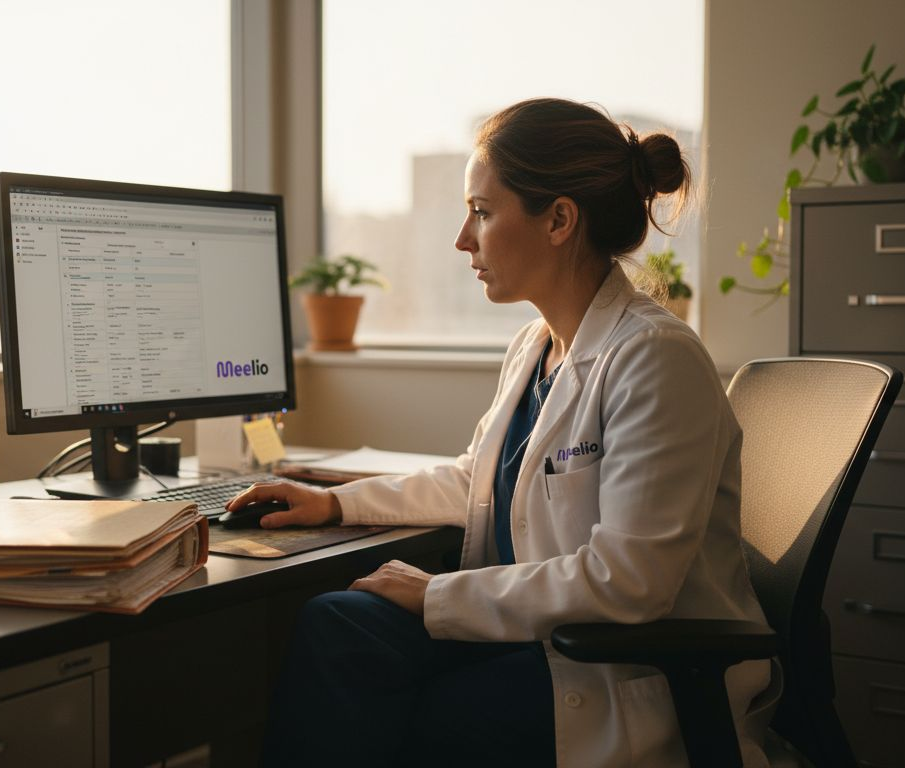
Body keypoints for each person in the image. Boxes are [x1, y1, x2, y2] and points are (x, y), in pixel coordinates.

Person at [227, 97, 778, 767]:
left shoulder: (655, 357)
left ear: (559, 220)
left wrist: (435, 594)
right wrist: (337, 502)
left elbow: (631, 581)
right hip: (536, 637)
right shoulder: (536, 345)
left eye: (482, 213)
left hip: (615, 674)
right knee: (338, 623)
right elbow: (475, 480)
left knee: (397, 714)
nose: (464, 238)